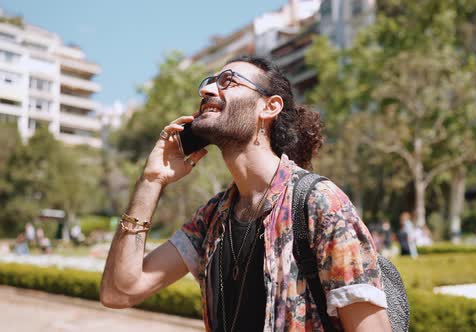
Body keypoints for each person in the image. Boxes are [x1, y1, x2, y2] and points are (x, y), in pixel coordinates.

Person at [100, 56, 391, 331]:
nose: (206, 89)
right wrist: (151, 180)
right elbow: (119, 292)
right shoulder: (212, 218)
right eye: (209, 81)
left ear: (269, 107)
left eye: (228, 81)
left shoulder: (318, 203)